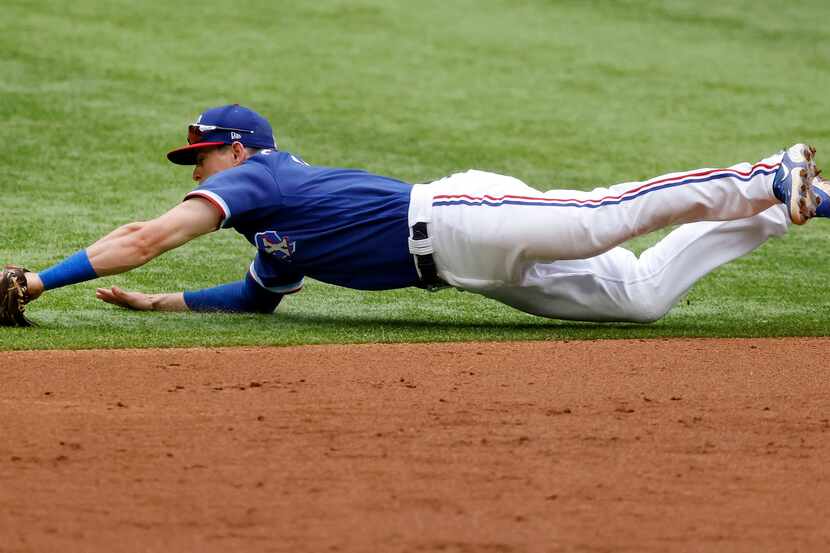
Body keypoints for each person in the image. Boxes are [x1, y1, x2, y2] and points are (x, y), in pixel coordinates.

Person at [4, 104, 829, 326]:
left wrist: (41, 280)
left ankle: (760, 172)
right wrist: (163, 304)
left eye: (204, 156)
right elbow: (259, 294)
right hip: (470, 269)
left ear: (242, 152)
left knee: (598, 219)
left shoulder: (258, 180)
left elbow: (144, 238)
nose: (199, 169)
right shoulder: (271, 226)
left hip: (460, 216)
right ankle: (781, 206)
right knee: (641, 298)